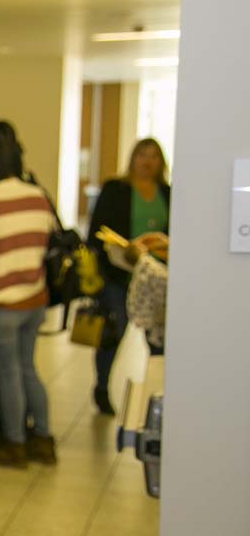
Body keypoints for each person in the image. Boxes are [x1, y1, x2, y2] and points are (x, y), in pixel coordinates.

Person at [0, 120, 58, 468]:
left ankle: (14, 443)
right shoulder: (38, 197)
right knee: (27, 369)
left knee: (6, 373)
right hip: (35, 299)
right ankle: (44, 440)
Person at [86, 138, 171, 414]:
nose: (147, 162)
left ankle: (159, 392)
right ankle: (101, 387)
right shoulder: (116, 189)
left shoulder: (168, 193)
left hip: (156, 278)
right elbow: (97, 231)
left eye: (153, 156)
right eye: (142, 155)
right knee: (115, 329)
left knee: (158, 336)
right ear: (132, 158)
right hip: (118, 275)